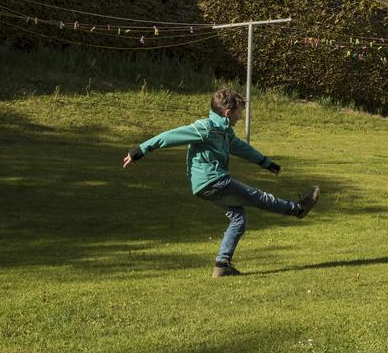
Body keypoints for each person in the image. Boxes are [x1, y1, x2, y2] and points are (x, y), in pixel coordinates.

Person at [122, 88, 320, 277]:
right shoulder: (204, 128)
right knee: (257, 197)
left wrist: (266, 163)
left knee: (238, 219)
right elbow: (169, 136)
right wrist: (139, 151)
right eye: (240, 112)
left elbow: (241, 148)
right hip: (213, 180)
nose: (241, 116)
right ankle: (297, 209)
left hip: (206, 186)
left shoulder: (225, 132)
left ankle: (222, 265)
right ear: (227, 113)